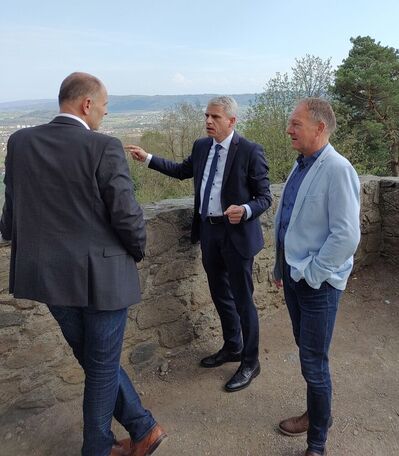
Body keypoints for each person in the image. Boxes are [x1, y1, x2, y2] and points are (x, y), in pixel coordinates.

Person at [0, 72, 166, 456]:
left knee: (93, 361)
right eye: (104, 108)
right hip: (102, 280)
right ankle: (98, 448)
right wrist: (136, 252)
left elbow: (10, 219)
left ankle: (143, 428)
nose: (104, 116)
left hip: (49, 278)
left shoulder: (20, 142)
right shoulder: (104, 147)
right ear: (86, 104)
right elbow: (128, 217)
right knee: (102, 367)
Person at [126, 96, 272, 392]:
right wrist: (149, 158)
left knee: (243, 300)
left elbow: (265, 197)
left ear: (232, 121)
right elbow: (182, 171)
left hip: (237, 235)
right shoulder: (201, 146)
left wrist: (244, 210)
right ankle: (233, 346)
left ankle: (250, 361)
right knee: (219, 294)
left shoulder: (250, 151)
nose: (208, 121)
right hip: (209, 232)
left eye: (215, 117)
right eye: (206, 115)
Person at [273, 98, 361, 456]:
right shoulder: (303, 164)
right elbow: (289, 220)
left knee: (314, 361)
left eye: (296, 124)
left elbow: (346, 236)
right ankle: (314, 414)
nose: (289, 129)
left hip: (317, 284)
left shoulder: (338, 169)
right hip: (295, 277)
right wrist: (282, 268)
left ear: (319, 128)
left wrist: (312, 274)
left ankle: (317, 442)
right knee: (307, 351)